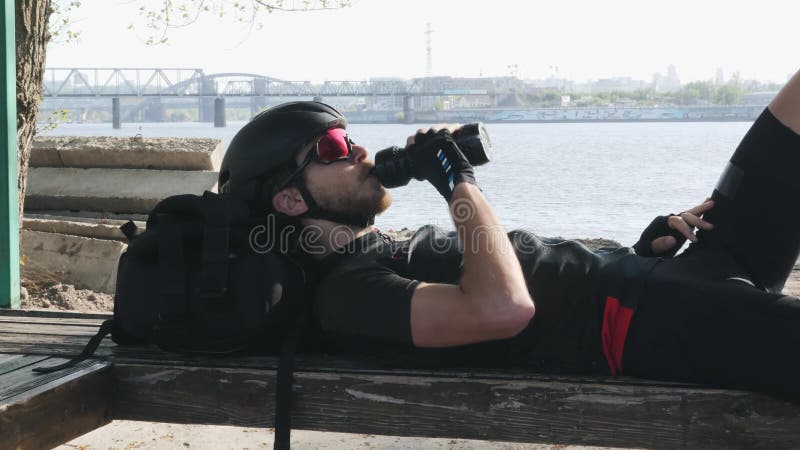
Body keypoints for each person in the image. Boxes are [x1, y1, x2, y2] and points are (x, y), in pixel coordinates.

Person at [218, 68, 800, 399]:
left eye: (351, 136)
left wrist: (636, 253)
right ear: (290, 199)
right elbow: (505, 308)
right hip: (646, 325)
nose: (360, 149)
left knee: (789, 115)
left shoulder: (374, 252)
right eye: (334, 148)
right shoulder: (345, 294)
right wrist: (456, 183)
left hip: (654, 281)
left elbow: (533, 269)